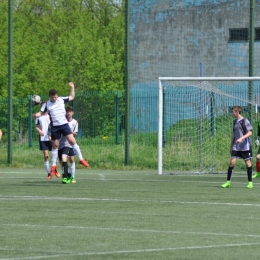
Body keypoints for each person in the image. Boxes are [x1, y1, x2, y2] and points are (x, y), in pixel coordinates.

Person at [32, 82, 89, 184]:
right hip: (55, 127)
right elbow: (41, 113)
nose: (54, 98)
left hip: (64, 125)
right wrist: (35, 115)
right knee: (55, 146)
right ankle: (53, 166)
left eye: (55, 97)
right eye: (52, 97)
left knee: (72, 141)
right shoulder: (47, 104)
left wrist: (72, 87)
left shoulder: (61, 99)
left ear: (57, 95)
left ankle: (81, 159)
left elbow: (72, 96)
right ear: (50, 97)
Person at [221, 105, 253, 188]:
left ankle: (250, 183)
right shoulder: (235, 122)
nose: (232, 113)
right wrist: (231, 146)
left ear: (237, 112)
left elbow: (250, 133)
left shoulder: (245, 121)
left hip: (245, 146)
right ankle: (228, 182)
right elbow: (234, 134)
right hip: (236, 146)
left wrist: (241, 138)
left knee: (247, 163)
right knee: (232, 162)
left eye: (233, 112)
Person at [35, 106, 60, 180]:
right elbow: (36, 126)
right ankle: (49, 173)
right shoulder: (39, 117)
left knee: (55, 155)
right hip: (43, 138)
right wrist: (39, 131)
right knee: (46, 156)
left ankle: (54, 169)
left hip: (51, 138)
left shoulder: (51, 116)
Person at [58, 106, 78, 184]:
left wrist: (68, 131)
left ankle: (72, 176)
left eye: (70, 112)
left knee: (72, 159)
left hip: (70, 143)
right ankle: (67, 174)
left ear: (72, 112)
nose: (69, 113)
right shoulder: (63, 122)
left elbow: (75, 133)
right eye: (67, 112)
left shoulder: (75, 122)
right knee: (62, 160)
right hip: (62, 143)